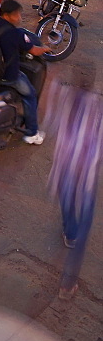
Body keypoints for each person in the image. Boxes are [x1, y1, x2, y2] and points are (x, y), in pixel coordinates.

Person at [45, 76, 103, 300]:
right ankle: (68, 285)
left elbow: (50, 123)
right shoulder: (96, 107)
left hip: (64, 172)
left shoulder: (67, 101)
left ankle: (69, 233)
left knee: (68, 206)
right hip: (85, 175)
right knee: (84, 230)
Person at [0, 0, 49, 144]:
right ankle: (32, 133)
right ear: (8, 15)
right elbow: (34, 50)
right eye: (17, 15)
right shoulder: (16, 33)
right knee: (30, 95)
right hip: (8, 77)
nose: (20, 17)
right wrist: (45, 49)